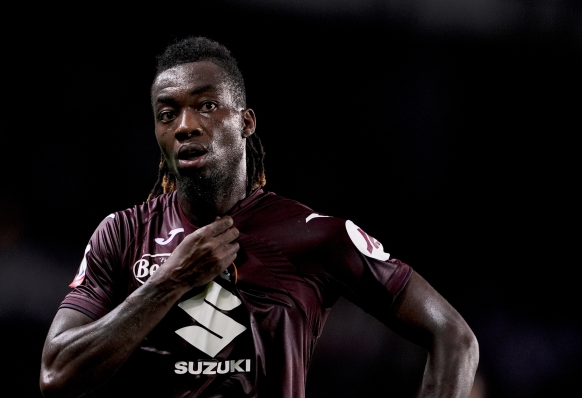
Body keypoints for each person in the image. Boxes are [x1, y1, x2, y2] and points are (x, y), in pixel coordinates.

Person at [39, 36, 479, 398]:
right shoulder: (122, 234)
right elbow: (56, 375)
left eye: (207, 106)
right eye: (167, 114)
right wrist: (170, 281)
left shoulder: (316, 236)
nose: (185, 125)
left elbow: (455, 338)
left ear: (246, 122)